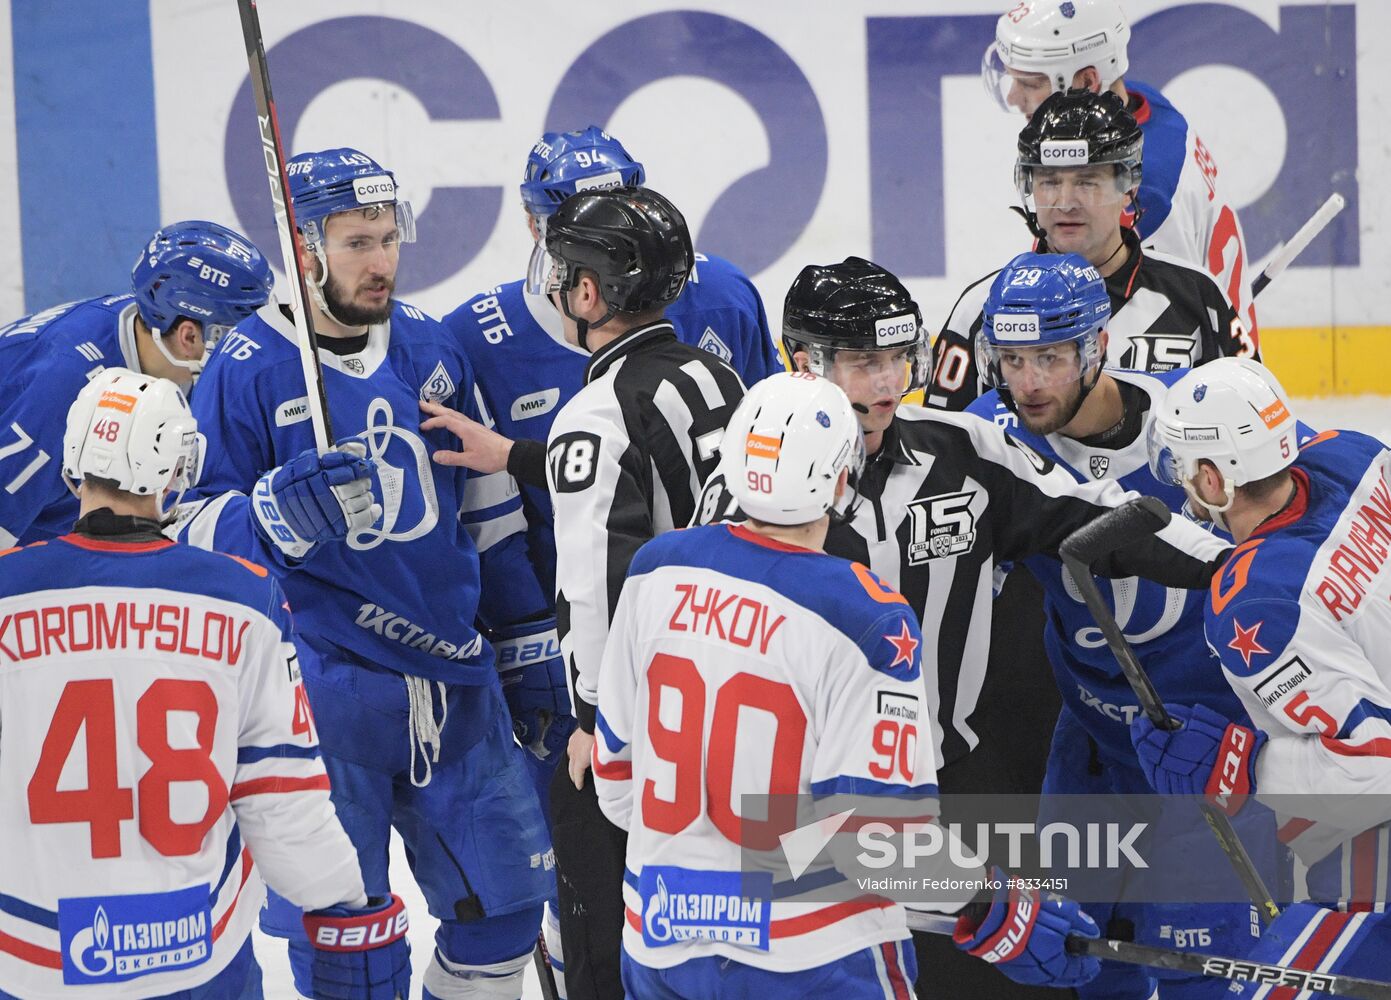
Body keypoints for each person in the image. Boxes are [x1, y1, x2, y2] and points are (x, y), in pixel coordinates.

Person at [693, 255, 1236, 996]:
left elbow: (1098, 519)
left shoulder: (962, 451)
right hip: (799, 811)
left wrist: (1241, 569)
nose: (887, 384)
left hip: (948, 786)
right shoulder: (748, 491)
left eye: (895, 359)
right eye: (861, 363)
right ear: (802, 362)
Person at [173, 148, 566, 1000]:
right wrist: (270, 515)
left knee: (504, 916)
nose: (381, 261)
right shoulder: (246, 366)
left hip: (456, 684)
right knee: (349, 938)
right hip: (320, 687)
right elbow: (188, 535)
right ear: (303, 247)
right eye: (357, 242)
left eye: (388, 238)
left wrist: (529, 644)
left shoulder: (432, 346)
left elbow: (487, 514)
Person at [594, 371, 1102, 997]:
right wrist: (992, 905)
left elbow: (616, 782)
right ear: (840, 482)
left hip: (661, 943)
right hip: (814, 961)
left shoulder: (656, 569)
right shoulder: (865, 617)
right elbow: (877, 844)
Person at [0, 368, 408, 1000]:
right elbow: (282, 792)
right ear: (173, 469)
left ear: (74, 461)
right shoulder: (243, 597)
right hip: (195, 958)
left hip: (30, 960)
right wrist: (342, 905)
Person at [440, 183, 745, 1000]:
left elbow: (594, 588)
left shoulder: (595, 413)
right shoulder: (714, 378)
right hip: (740, 701)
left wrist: (591, 728)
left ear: (587, 292)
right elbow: (657, 475)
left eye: (566, 270)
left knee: (604, 953)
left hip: (649, 725)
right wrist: (517, 457)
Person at [967, 254, 1294, 998]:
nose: (1028, 383)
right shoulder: (988, 437)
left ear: (1097, 347)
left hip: (1211, 750)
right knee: (1080, 957)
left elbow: (1300, 511)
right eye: (1011, 360)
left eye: (1049, 356)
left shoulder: (1189, 419)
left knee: (1202, 973)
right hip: (1092, 746)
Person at [1132, 357, 1391, 988]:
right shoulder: (1355, 453)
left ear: (1215, 479)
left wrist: (1241, 767)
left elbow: (1374, 764)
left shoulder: (1255, 602)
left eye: (1184, 467)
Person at [440, 125, 781, 599]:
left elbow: (775, 453)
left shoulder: (724, 297)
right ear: (530, 222)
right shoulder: (472, 337)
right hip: (616, 611)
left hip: (721, 604)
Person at [927, 88, 1253, 412]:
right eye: (1050, 182)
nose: (1065, 203)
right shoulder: (980, 309)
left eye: (1087, 181)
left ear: (1129, 188)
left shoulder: (1198, 296)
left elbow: (1256, 422)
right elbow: (941, 448)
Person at [982, 0, 1257, 339]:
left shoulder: (1138, 192)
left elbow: (1152, 331)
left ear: (1087, 81)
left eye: (1030, 83)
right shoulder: (1142, 107)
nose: (1013, 97)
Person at [0, 220, 272, 548]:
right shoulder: (65, 388)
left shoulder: (160, 345)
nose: (251, 347)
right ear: (189, 336)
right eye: (236, 334)